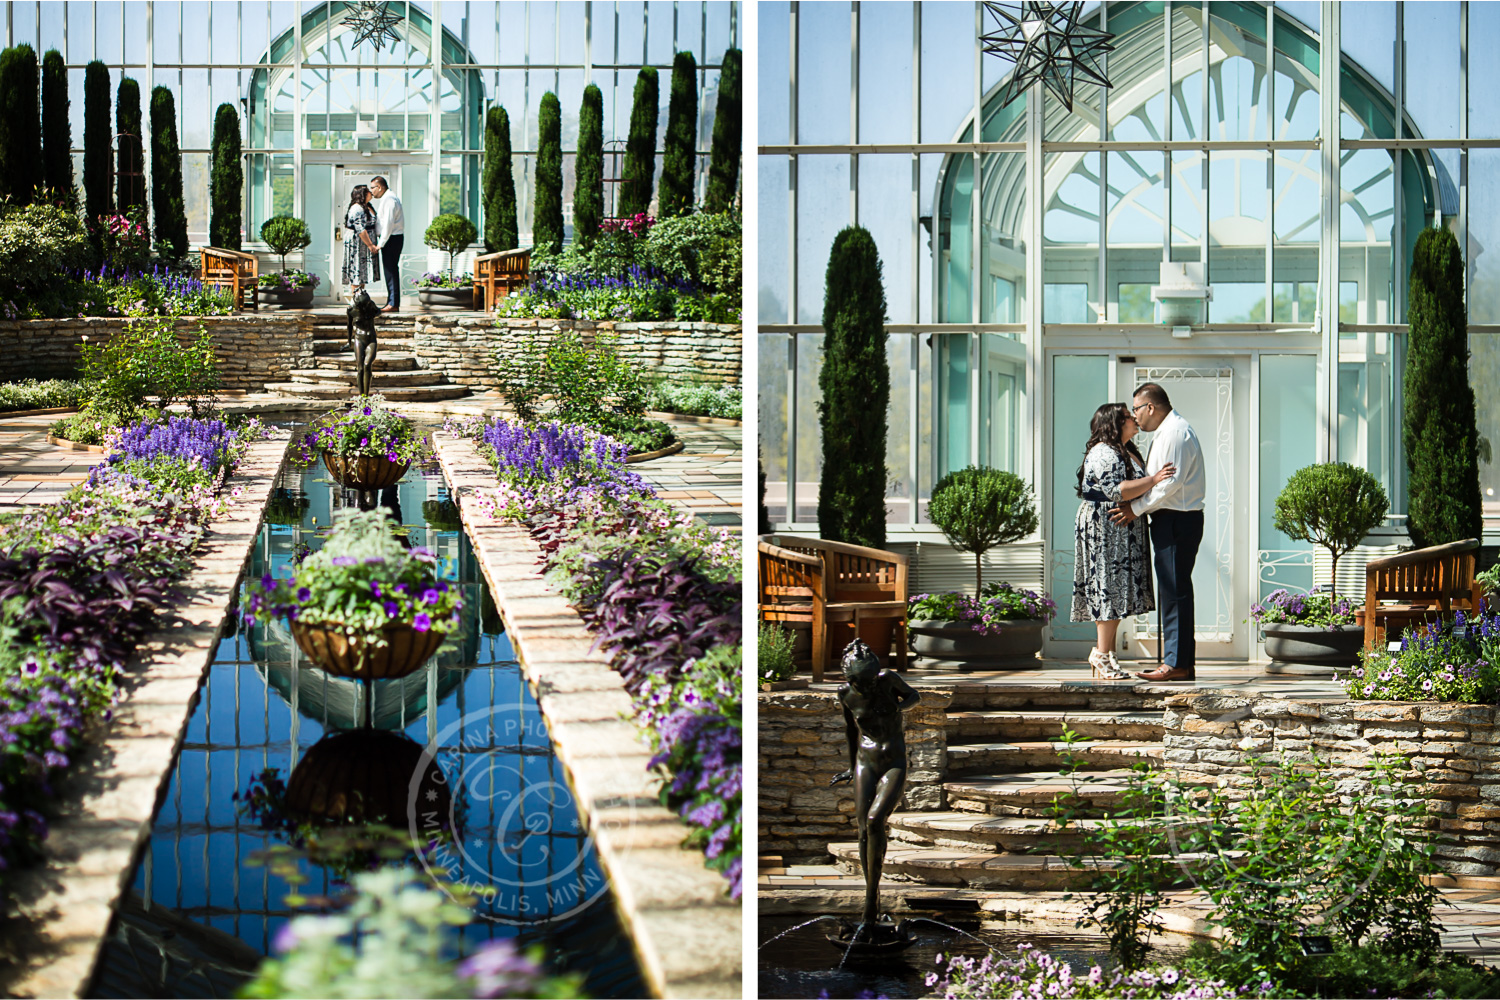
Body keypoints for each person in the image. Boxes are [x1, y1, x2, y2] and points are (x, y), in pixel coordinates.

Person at [1110, 382, 1206, 682]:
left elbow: (1169, 484)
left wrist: (1134, 509)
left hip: (1177, 519)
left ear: (1151, 407)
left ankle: (1175, 664)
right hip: (1173, 518)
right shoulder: (1168, 431)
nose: (1135, 416)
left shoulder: (1175, 433)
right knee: (1174, 591)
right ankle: (1180, 663)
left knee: (1175, 592)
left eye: (1136, 409)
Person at [1072, 402, 1175, 679]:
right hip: (1106, 525)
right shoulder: (1104, 452)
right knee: (1108, 587)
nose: (1135, 419)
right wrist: (1155, 479)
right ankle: (1101, 654)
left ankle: (1106, 654)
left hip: (1120, 525)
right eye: (1129, 417)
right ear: (1115, 423)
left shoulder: (1126, 451)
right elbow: (1116, 491)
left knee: (1116, 589)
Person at [829, 639, 921, 937]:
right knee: (861, 828)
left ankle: (870, 903)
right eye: (861, 683)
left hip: (893, 760)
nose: (867, 687)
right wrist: (848, 766)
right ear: (849, 679)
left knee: (874, 820)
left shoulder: (886, 679)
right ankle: (872, 899)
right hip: (864, 762)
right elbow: (849, 731)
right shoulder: (845, 694)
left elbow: (914, 696)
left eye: (870, 681)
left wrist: (898, 706)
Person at [370, 175, 405, 313]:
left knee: (391, 271)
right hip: (391, 238)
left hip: (392, 239)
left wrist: (381, 243)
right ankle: (391, 302)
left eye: (372, 188)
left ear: (379, 187)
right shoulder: (387, 198)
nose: (371, 191)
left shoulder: (390, 200)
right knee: (389, 271)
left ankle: (393, 304)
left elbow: (389, 223)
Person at [341, 184, 380, 297]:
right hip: (358, 243)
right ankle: (356, 299)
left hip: (364, 243)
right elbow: (360, 229)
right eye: (368, 191)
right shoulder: (357, 208)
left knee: (362, 271)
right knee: (356, 269)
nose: (370, 192)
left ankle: (361, 297)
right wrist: (370, 245)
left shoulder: (368, 206)